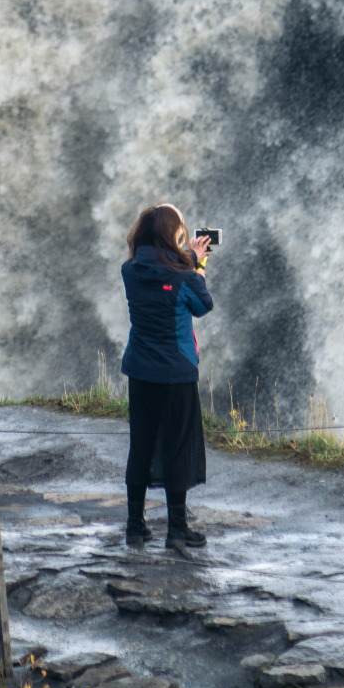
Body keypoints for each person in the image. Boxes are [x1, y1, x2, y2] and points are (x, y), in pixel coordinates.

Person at [120, 203, 214, 551]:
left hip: (141, 371)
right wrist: (198, 264)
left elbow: (160, 273)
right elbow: (202, 305)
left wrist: (186, 259)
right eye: (181, 230)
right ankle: (176, 530)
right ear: (174, 235)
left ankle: (135, 527)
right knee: (177, 447)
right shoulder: (187, 277)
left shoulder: (129, 270)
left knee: (140, 447)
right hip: (176, 373)